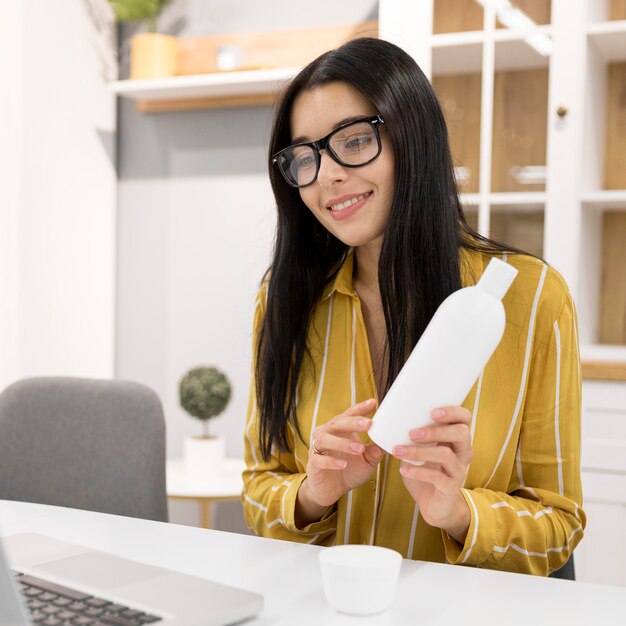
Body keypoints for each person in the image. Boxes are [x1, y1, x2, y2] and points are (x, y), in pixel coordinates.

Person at [242, 37, 585, 576]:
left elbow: (559, 526)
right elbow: (259, 486)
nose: (325, 176)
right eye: (304, 157)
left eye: (354, 141)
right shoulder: (284, 301)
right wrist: (313, 495)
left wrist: (459, 514)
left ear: (414, 138)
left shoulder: (533, 297)